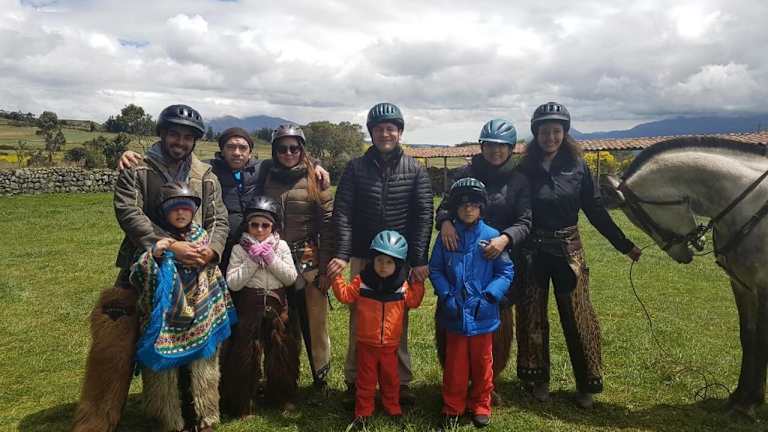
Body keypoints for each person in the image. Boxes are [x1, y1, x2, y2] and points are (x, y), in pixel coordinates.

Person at [73, 104, 229, 432]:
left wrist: (210, 251)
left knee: (199, 343)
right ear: (162, 133)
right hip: (142, 266)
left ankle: (195, 411)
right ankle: (97, 418)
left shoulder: (206, 175)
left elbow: (218, 219)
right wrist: (169, 245)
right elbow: (129, 212)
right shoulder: (137, 168)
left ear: (194, 141)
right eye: (174, 134)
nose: (180, 141)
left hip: (195, 271)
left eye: (187, 137)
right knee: (114, 342)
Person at [516, 102, 642, 408]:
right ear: (536, 134)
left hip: (568, 251)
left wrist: (624, 244)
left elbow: (595, 210)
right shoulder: (525, 168)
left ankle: (586, 383)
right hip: (532, 252)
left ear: (565, 133)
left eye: (556, 131)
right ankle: (538, 379)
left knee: (578, 316)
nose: (550, 137)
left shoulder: (577, 167)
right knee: (532, 316)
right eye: (544, 132)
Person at [328, 102, 433, 404]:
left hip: (398, 260)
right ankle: (355, 380)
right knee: (360, 318)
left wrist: (419, 260)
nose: (385, 134)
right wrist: (343, 253)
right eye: (379, 129)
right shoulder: (355, 168)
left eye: (391, 128)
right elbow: (343, 212)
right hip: (364, 254)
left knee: (397, 320)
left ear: (400, 132)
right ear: (371, 133)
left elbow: (423, 215)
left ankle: (399, 381)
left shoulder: (415, 169)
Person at [117, 127, 331, 273]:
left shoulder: (262, 168)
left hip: (255, 241)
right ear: (222, 150)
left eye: (243, 148)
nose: (237, 153)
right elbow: (180, 159)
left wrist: (316, 165)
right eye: (231, 147)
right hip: (222, 245)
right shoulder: (208, 169)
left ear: (250, 153)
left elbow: (291, 158)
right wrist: (130, 155)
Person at [434, 119, 531, 404]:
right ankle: (455, 382)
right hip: (460, 260)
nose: (495, 151)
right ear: (482, 146)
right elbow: (445, 206)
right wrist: (445, 222)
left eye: (501, 146)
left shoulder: (519, 180)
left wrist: (505, 239)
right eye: (489, 145)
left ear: (511, 149)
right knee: (452, 317)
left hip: (498, 262)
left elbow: (525, 221)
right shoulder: (464, 173)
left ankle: (487, 384)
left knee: (497, 327)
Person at [130, 181, 236, 432]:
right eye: (174, 208)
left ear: (193, 210)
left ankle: (207, 416)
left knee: (205, 368)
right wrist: (154, 255)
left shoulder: (202, 238)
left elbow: (212, 276)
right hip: (166, 317)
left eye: (185, 208)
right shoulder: (159, 240)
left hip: (201, 312)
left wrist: (207, 262)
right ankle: (169, 420)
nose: (180, 213)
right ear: (164, 212)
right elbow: (138, 275)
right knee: (163, 372)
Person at [430, 178, 514, 430]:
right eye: (463, 204)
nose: (468, 209)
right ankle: (453, 406)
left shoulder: (492, 237)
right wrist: (446, 296)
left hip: (483, 315)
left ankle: (480, 404)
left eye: (474, 204)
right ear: (455, 207)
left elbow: (505, 271)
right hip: (455, 315)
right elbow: (436, 269)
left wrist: (490, 296)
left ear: (482, 207)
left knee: (482, 364)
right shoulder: (446, 237)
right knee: (454, 365)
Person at [260, 124, 335, 393]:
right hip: (274, 257)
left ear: (302, 150)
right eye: (282, 148)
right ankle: (280, 376)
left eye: (294, 148)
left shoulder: (316, 178)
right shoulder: (265, 173)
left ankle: (320, 377)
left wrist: (325, 269)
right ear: (274, 151)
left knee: (314, 320)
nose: (288, 153)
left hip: (308, 260)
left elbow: (328, 225)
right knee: (278, 318)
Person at [331, 230, 425, 430]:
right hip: (366, 345)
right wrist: (336, 277)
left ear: (398, 264)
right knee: (365, 382)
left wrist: (418, 282)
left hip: (390, 346)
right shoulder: (362, 281)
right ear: (372, 260)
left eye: (389, 262)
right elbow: (346, 296)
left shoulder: (402, 286)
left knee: (391, 380)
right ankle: (363, 412)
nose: (383, 266)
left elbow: (414, 301)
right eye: (379, 260)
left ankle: (393, 407)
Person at [220, 196, 300, 416]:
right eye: (254, 224)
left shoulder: (281, 247)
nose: (259, 230)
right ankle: (242, 401)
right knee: (245, 356)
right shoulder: (239, 250)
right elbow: (233, 283)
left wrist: (271, 258)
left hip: (277, 307)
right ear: (247, 225)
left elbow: (290, 277)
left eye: (265, 225)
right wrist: (252, 261)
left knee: (282, 353)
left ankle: (282, 395)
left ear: (273, 227)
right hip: (249, 308)